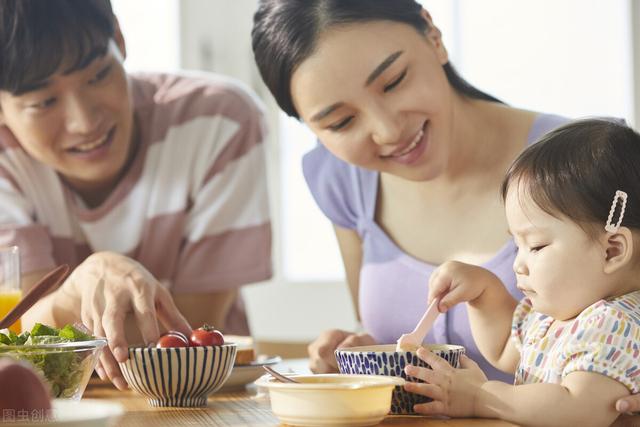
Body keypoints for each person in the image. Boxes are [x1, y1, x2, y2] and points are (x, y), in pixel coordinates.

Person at [251, 0, 640, 414]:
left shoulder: (588, 166)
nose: (387, 131)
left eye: (394, 80)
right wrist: (360, 350)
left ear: (433, 36)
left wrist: (479, 397)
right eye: (341, 122)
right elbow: (509, 343)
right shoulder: (339, 177)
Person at [0, 0, 272, 390]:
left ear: (119, 39)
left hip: (200, 400)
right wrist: (78, 287)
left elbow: (184, 331)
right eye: (44, 102)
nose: (84, 121)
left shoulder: (218, 122)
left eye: (97, 76)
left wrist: (61, 307)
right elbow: (24, 344)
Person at [405, 119, 640, 426]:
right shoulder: (560, 316)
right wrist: (483, 292)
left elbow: (578, 408)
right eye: (517, 246)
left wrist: (481, 396)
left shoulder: (615, 324)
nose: (518, 264)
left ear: (612, 250)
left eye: (537, 246)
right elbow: (505, 350)